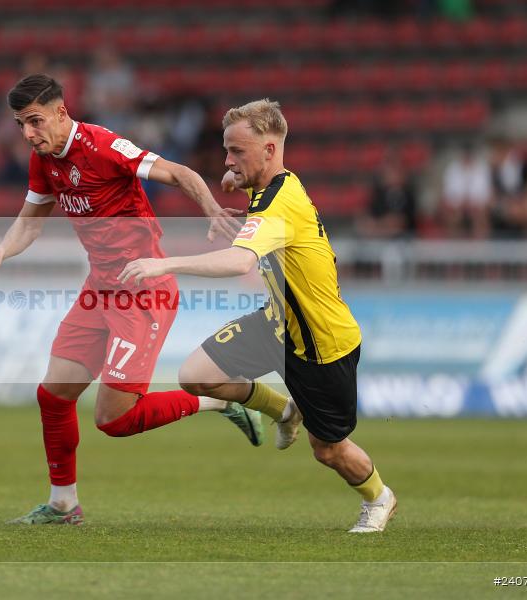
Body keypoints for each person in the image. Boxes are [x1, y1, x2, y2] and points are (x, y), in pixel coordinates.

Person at [0, 74, 259, 526]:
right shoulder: (44, 160)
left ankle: (218, 401)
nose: (28, 134)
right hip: (99, 290)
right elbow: (29, 222)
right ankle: (63, 505)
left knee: (114, 420)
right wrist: (1, 251)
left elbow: (179, 173)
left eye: (34, 121)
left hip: (143, 291)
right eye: (20, 125)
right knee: (54, 396)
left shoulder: (103, 146)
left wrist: (211, 210)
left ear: (61, 112)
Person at [119, 99, 397, 533]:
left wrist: (164, 264)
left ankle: (379, 498)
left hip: (321, 345)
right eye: (227, 150)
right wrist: (233, 179)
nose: (228, 161)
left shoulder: (279, 201)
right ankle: (284, 411)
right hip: (277, 323)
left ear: (269, 150)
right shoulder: (267, 182)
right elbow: (241, 187)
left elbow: (237, 264)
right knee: (195, 374)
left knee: (328, 450)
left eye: (237, 152)